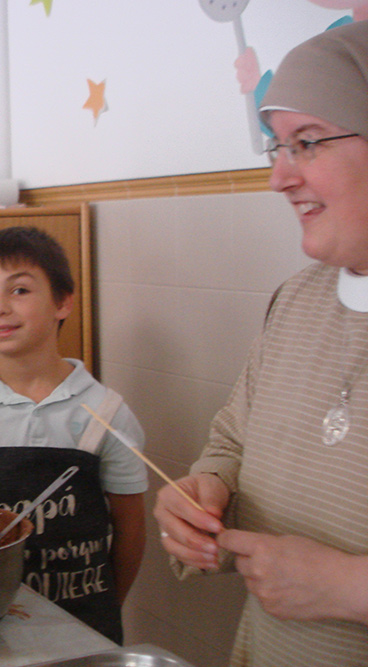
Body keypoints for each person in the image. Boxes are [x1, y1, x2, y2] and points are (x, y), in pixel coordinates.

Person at [154, 21, 368, 667]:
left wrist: (350, 587)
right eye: (277, 146)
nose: (278, 178)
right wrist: (206, 493)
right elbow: (233, 444)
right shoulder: (296, 302)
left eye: (307, 143)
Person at [0, 226, 147, 644]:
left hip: (87, 631)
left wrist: (108, 607)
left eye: (19, 290)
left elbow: (131, 527)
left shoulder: (107, 413)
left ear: (63, 302)